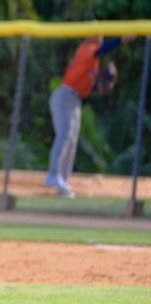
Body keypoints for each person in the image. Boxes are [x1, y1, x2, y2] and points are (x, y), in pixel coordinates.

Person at [45, 34, 134, 198]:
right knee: (64, 135)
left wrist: (100, 86)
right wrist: (121, 40)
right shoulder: (86, 49)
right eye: (96, 32)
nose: (99, 36)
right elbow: (101, 50)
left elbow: (87, 86)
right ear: (89, 35)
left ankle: (62, 183)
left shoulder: (91, 61)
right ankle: (52, 174)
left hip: (74, 99)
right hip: (64, 96)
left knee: (71, 141)